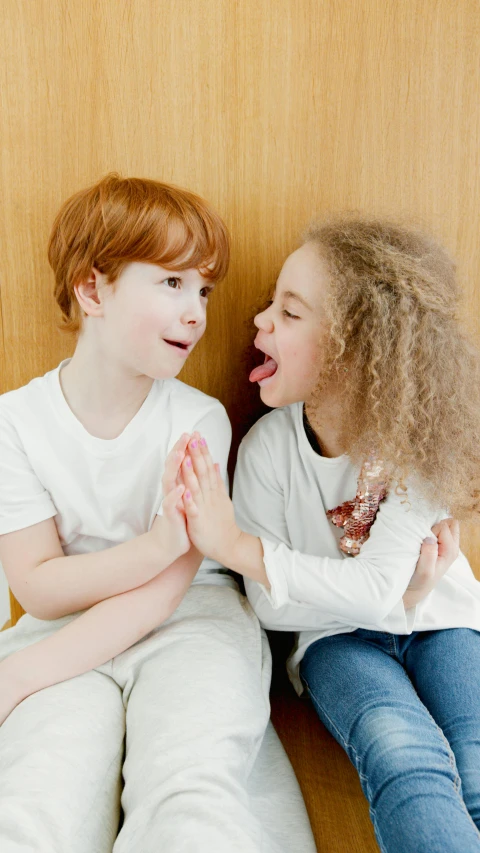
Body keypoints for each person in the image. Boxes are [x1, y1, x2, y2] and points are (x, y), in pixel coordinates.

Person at [0, 174, 316, 853]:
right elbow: (37, 585)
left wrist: (21, 675)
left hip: (188, 616)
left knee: (189, 789)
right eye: (172, 283)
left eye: (203, 289)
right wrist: (152, 546)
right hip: (67, 621)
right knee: (39, 795)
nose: (197, 311)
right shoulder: (14, 423)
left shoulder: (197, 420)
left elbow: (168, 585)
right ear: (93, 290)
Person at [175, 215, 480, 853]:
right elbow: (269, 605)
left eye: (289, 313)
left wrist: (239, 548)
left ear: (354, 347)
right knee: (404, 756)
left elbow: (362, 590)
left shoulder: (413, 444)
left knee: (474, 764)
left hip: (443, 622)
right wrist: (392, 594)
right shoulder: (266, 451)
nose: (259, 321)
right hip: (335, 644)